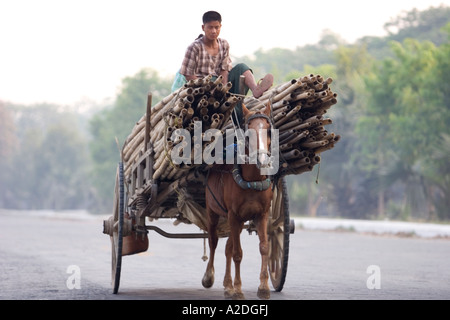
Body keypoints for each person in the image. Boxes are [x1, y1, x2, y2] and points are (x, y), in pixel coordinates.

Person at [172, 11, 273, 124]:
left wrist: (224, 89)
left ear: (220, 27)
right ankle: (236, 117)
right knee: (225, 97)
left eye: (216, 27)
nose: (214, 31)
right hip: (203, 88)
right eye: (210, 27)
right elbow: (188, 74)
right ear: (203, 27)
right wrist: (207, 87)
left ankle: (256, 89)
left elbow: (224, 70)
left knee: (241, 67)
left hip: (220, 83)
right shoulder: (194, 47)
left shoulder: (224, 44)